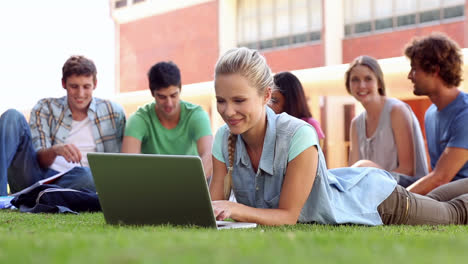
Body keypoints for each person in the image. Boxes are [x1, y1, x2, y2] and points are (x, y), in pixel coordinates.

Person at [209, 47, 468, 226]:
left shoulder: (297, 135)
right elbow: (212, 205)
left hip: (376, 202)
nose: (227, 111)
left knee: (452, 213)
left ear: (266, 96)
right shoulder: (224, 137)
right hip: (354, 190)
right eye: (221, 100)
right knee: (433, 201)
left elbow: (287, 216)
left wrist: (235, 209)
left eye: (239, 100)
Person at [0, 55, 126, 196]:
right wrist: (56, 150)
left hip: (80, 182)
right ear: (63, 84)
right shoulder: (45, 108)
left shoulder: (113, 112)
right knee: (12, 116)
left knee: (91, 176)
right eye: (74, 86)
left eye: (86, 86)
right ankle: (3, 196)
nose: (80, 94)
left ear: (95, 84)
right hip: (36, 177)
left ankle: (39, 196)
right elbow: (38, 159)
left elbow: (119, 163)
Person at [122, 61, 213, 179]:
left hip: (190, 181)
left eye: (174, 95)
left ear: (180, 90)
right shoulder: (139, 119)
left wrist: (187, 183)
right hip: (152, 183)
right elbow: (128, 164)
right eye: (162, 97)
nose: (169, 103)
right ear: (152, 93)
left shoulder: (196, 115)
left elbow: (209, 155)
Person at [345, 55, 428, 182]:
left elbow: (408, 170)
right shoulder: (356, 123)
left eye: (368, 79)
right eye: (355, 80)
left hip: (406, 192)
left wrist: (369, 169)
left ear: (378, 82)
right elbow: (352, 172)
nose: (361, 85)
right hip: (373, 191)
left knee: (362, 165)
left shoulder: (396, 111)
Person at [403, 33, 468, 195]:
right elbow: (435, 177)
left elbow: (441, 178)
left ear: (435, 70)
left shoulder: (465, 113)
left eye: (414, 69)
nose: (410, 76)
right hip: (442, 192)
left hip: (461, 198)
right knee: (383, 176)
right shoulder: (430, 114)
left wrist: (396, 203)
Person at [269, 71, 325, 139]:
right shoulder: (270, 125)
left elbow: (318, 148)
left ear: (289, 102)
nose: (269, 105)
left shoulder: (310, 125)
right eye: (268, 100)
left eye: (274, 101)